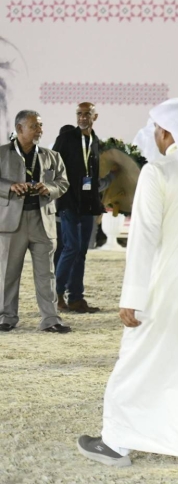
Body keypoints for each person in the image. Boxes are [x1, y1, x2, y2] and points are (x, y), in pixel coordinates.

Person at [76, 98, 178, 480]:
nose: (154, 134)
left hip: (168, 284)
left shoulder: (159, 171)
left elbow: (144, 239)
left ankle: (115, 442)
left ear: (167, 131)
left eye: (156, 127)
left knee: (137, 358)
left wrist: (132, 297)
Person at [0, 110, 71, 333]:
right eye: (34, 126)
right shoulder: (2, 154)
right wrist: (9, 187)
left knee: (46, 274)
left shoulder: (53, 156)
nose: (40, 130)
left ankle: (51, 319)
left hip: (43, 222)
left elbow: (62, 183)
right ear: (20, 128)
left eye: (40, 126)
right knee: (8, 273)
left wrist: (48, 188)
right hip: (12, 223)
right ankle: (6, 317)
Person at [52, 102, 108, 314]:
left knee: (82, 251)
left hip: (88, 204)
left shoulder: (95, 141)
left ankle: (76, 298)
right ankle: (55, 293)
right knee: (71, 248)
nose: (83, 117)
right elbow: (51, 165)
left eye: (87, 114)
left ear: (95, 117)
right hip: (68, 202)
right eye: (80, 114)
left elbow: (92, 176)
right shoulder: (66, 138)